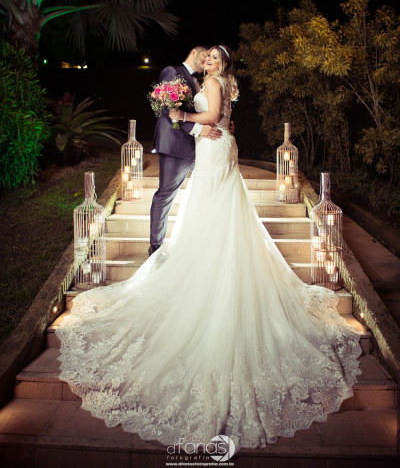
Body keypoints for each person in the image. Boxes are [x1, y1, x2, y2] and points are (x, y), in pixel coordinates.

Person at [57, 44, 362, 453]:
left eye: (216, 58)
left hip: (214, 152)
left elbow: (214, 116)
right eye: (208, 57)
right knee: (204, 208)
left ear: (223, 64)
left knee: (212, 207)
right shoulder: (202, 80)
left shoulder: (214, 83)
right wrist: (197, 121)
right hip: (210, 149)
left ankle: (212, 270)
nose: (211, 62)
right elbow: (218, 116)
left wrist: (182, 115)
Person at [149, 45, 223, 256]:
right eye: (205, 55)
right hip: (176, 146)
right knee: (165, 195)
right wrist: (199, 129)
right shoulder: (172, 72)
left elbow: (210, 111)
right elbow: (168, 112)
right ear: (193, 52)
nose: (207, 59)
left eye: (211, 57)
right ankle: (155, 248)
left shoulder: (202, 81)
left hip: (201, 148)